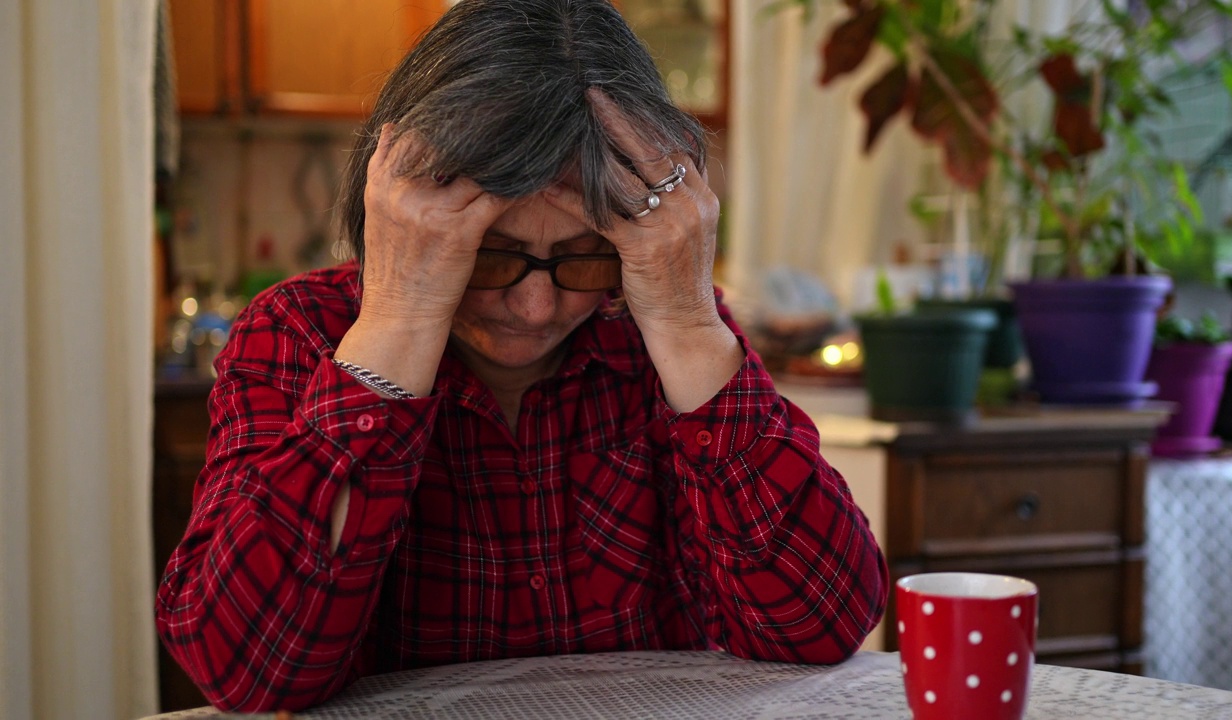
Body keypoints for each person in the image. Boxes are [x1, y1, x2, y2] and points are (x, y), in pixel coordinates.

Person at [155, 0, 888, 712]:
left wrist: (691, 322)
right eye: (490, 258)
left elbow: (819, 626)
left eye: (584, 259)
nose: (538, 308)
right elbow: (247, 671)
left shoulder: (661, 334)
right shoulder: (300, 333)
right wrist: (401, 316)